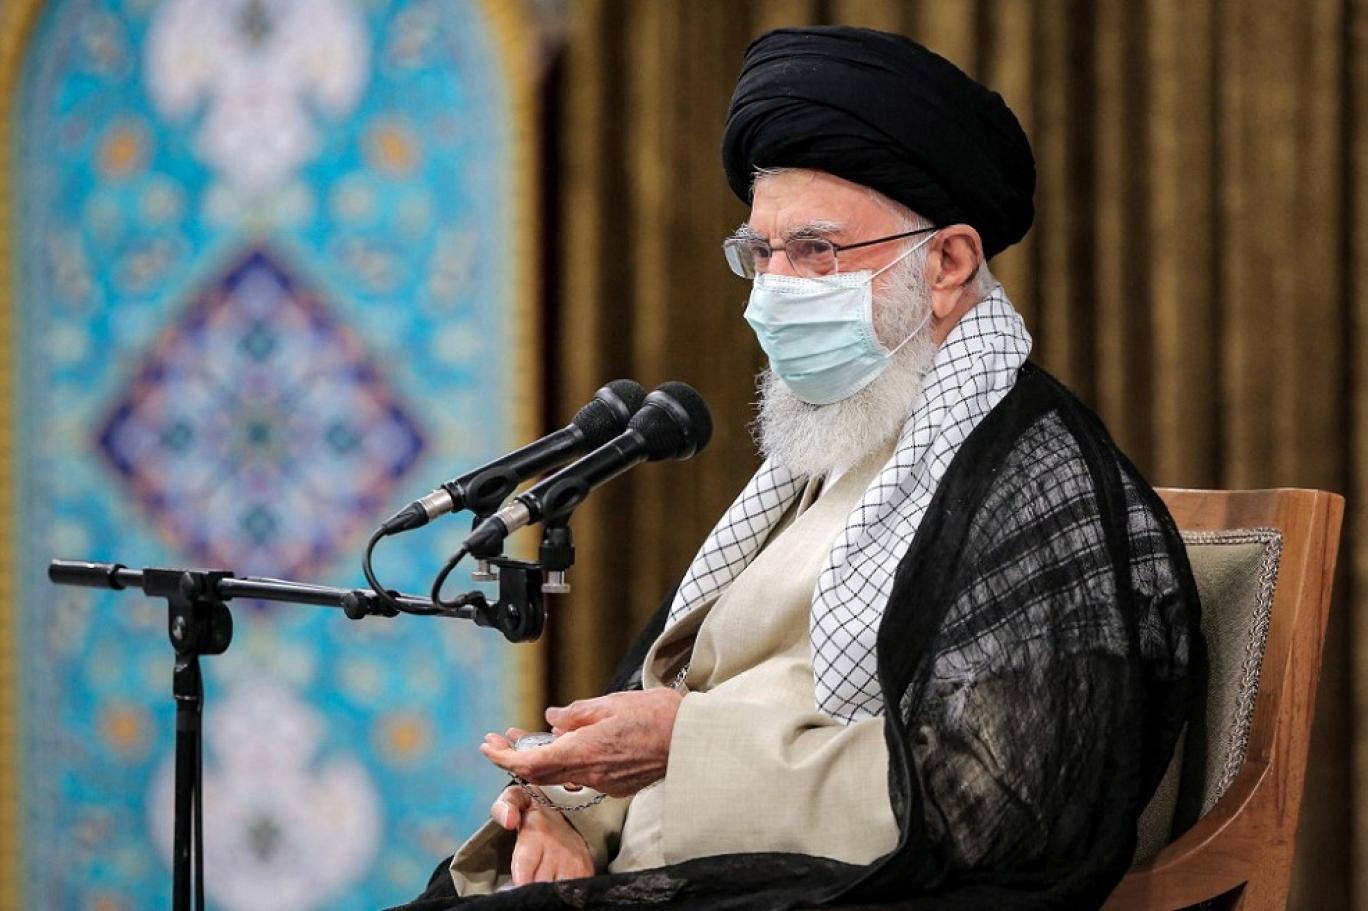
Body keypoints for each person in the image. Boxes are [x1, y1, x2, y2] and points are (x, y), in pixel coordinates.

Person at [395, 25, 1200, 911]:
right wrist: (570, 811)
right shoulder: (836, 443)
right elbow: (690, 694)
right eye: (760, 253)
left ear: (948, 262)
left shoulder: (1030, 476)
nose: (772, 289)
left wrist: (683, 746)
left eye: (816, 249)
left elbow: (999, 801)